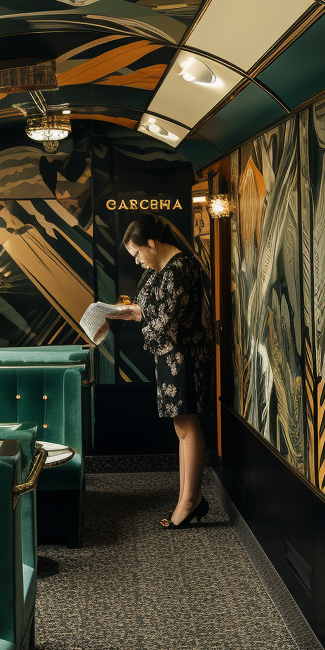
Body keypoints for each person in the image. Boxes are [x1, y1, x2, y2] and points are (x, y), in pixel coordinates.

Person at [106, 213, 213, 529]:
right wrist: (124, 313)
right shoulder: (159, 271)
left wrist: (141, 323)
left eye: (138, 253)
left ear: (151, 243)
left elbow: (168, 324)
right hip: (169, 358)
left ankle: (190, 500)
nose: (137, 261)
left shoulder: (181, 269)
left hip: (184, 356)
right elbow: (150, 310)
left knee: (188, 426)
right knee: (181, 428)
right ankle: (188, 497)